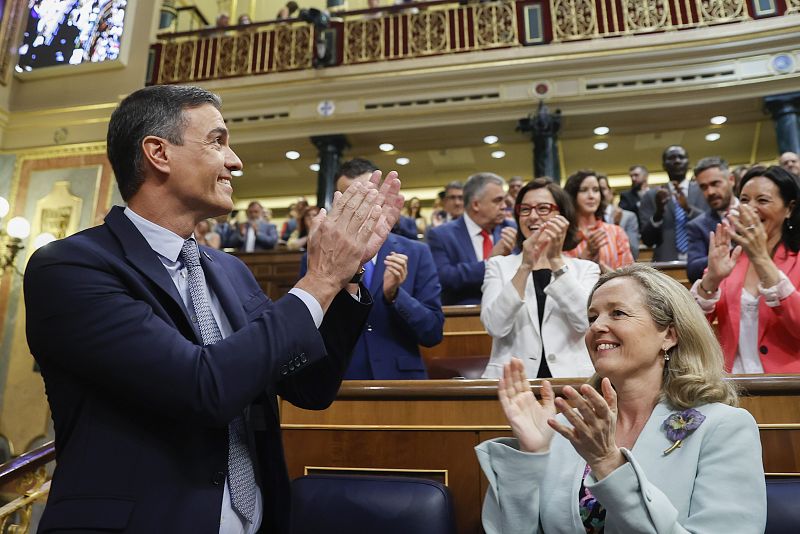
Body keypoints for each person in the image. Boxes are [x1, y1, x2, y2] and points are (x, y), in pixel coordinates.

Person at [24, 85, 404, 533]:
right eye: (217, 141)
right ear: (158, 153)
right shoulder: (70, 268)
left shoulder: (229, 271)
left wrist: (347, 277)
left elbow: (310, 385)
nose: (235, 161)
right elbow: (201, 386)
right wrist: (319, 279)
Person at [476, 264, 765, 534]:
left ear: (669, 335)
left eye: (617, 313)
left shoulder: (723, 428)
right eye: (592, 317)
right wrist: (530, 456)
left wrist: (608, 464)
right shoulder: (566, 427)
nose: (596, 326)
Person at [300, 161, 445, 379]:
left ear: (382, 198)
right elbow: (308, 330)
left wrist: (396, 296)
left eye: (368, 197)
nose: (360, 208)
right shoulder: (319, 254)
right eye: (352, 199)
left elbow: (432, 333)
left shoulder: (417, 252)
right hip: (341, 382)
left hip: (402, 382)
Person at [480, 179, 598, 379]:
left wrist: (555, 261)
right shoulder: (498, 265)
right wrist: (525, 266)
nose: (533, 217)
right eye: (525, 209)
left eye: (543, 208)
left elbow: (585, 323)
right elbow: (495, 326)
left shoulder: (586, 269)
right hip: (513, 382)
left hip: (572, 382)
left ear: (562, 215)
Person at [692, 165, 800, 373]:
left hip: (789, 388)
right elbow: (691, 328)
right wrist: (712, 280)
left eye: (762, 200)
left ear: (789, 208)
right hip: (734, 386)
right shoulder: (730, 259)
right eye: (744, 200)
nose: (750, 208)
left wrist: (761, 259)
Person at [428, 172, 517, 305]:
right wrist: (490, 263)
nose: (504, 206)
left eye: (504, 200)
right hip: (464, 318)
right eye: (498, 200)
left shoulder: (512, 229)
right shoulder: (441, 235)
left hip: (510, 311)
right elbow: (445, 277)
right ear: (476, 204)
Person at [639, 146, 708, 261]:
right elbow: (647, 240)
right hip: (665, 265)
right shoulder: (651, 196)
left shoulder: (704, 191)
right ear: (664, 165)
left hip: (702, 260)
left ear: (688, 163)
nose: (677, 161)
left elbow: (711, 226)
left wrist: (688, 209)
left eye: (681, 157)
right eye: (671, 158)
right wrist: (658, 214)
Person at [563, 170, 634, 273]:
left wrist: (603, 271)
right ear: (572, 195)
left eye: (596, 190)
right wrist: (586, 255)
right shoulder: (564, 235)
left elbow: (629, 276)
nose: (591, 196)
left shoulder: (616, 232)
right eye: (583, 190)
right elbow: (561, 278)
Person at [686, 157, 737, 283]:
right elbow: (692, 271)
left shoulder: (756, 213)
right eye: (703, 187)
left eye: (715, 184)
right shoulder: (697, 225)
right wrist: (723, 253)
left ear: (731, 180)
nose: (710, 192)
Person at [598, 175, 639, 259]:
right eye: (596, 190)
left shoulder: (628, 217)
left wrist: (617, 227)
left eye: (602, 189)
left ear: (610, 192)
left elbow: (634, 253)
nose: (600, 193)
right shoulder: (586, 219)